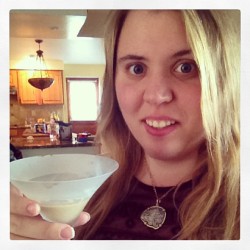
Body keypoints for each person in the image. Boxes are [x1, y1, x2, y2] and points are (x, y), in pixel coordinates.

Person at [10, 10, 240, 240]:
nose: (157, 95)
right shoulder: (92, 190)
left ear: (224, 79)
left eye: (186, 67)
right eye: (137, 68)